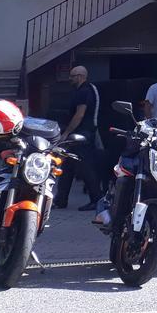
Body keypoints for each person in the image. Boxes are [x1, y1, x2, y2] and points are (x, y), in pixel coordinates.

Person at [56, 65, 103, 211]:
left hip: (82, 135)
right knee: (68, 167)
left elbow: (80, 114)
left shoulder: (84, 91)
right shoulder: (88, 89)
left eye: (72, 76)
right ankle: (61, 200)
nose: (70, 79)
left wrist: (66, 133)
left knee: (86, 168)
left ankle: (97, 200)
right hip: (81, 134)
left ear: (80, 76)